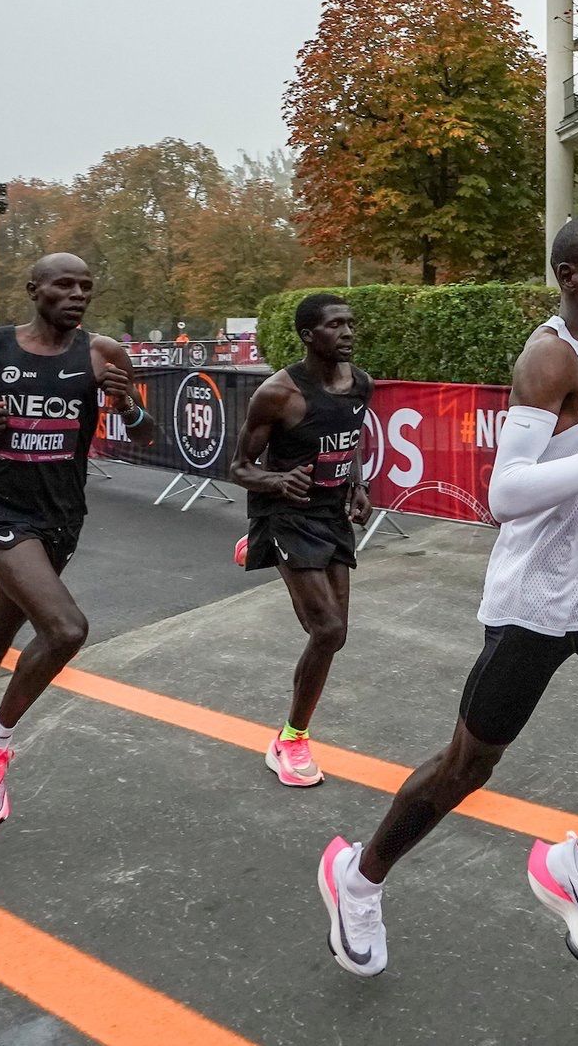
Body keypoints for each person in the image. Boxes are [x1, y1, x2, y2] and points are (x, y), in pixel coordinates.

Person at [316, 214, 578, 979]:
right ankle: (359, 876)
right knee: (464, 769)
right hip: (535, 608)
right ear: (570, 276)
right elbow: (506, 492)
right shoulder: (549, 356)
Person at [0, 254, 154, 827]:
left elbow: (145, 433)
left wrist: (127, 404)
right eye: (64, 285)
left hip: (61, 516)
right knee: (66, 629)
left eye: (86, 287)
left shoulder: (103, 354)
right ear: (33, 289)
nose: (77, 295)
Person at [230, 292, 373, 787]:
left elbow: (351, 440)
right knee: (327, 631)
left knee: (337, 634)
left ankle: (261, 549)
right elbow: (239, 467)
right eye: (336, 325)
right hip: (288, 515)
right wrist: (276, 481)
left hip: (331, 515)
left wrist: (357, 485)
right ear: (309, 336)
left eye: (351, 323)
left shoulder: (361, 384)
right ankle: (291, 740)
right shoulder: (278, 394)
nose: (349, 332)